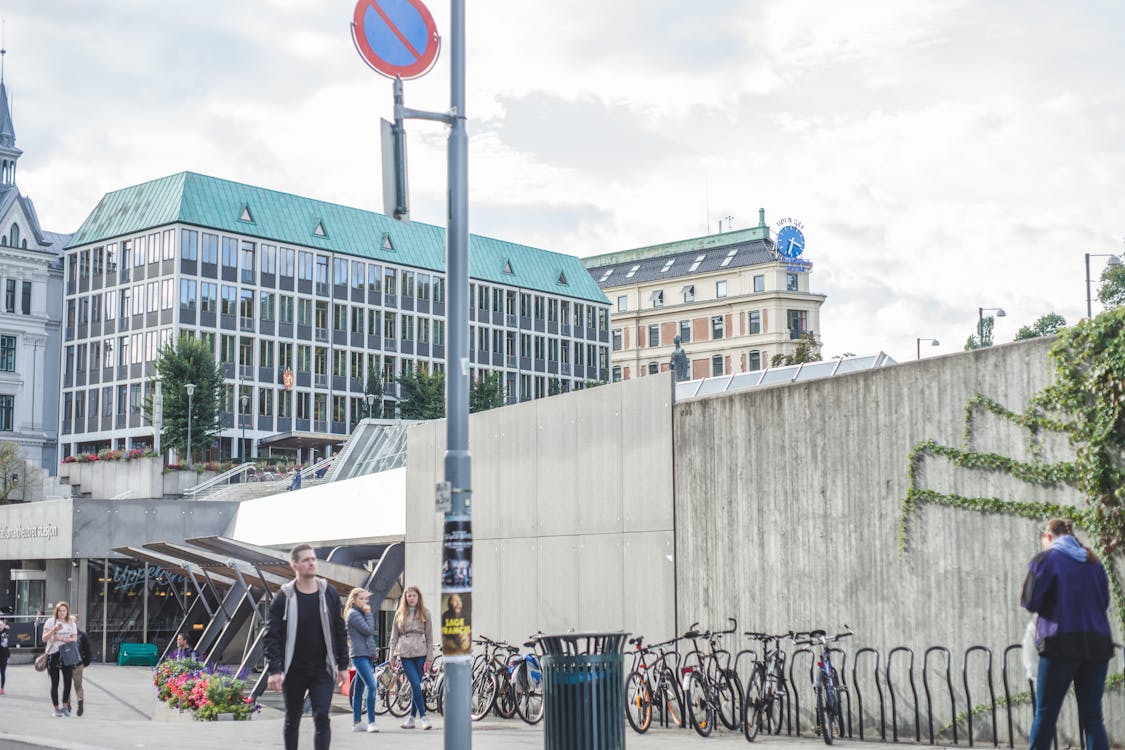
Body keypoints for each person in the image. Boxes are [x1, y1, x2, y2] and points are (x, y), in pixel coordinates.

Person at [1022, 518, 1113, 750]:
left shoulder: (1046, 560)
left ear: (1049, 536)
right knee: (1092, 719)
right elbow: (1104, 601)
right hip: (1097, 644)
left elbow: (1031, 601)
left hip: (1060, 644)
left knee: (1046, 715)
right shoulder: (1093, 562)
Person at [264, 544, 348, 750]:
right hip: (293, 669)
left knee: (321, 717)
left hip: (322, 668)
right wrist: (275, 670)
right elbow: (271, 635)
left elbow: (339, 629)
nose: (311, 563)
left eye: (313, 559)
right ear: (295, 566)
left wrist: (343, 665)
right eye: (306, 560)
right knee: (293, 718)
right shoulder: (284, 596)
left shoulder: (329, 593)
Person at [388, 585, 433, 730]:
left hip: (421, 652)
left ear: (418, 597)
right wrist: (392, 656)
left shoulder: (425, 613)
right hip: (405, 653)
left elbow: (430, 637)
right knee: (415, 683)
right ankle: (424, 717)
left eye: (414, 595)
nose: (411, 598)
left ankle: (412, 719)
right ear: (405, 598)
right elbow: (393, 636)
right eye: (409, 596)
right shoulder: (399, 613)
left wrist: (430, 658)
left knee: (416, 686)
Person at [343, 588, 379, 733]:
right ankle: (371, 722)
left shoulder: (359, 613)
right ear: (354, 600)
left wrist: (372, 652)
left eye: (366, 599)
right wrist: (369, 613)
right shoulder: (353, 614)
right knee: (372, 686)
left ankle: (357, 722)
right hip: (359, 655)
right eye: (361, 599)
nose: (364, 602)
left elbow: (368, 636)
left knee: (358, 689)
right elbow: (369, 631)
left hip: (366, 654)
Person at [42, 601, 79, 718]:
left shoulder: (71, 623)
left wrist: (62, 638)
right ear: (56, 611)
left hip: (67, 654)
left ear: (67, 611)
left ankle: (65, 706)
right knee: (55, 682)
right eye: (60, 610)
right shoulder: (50, 621)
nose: (62, 613)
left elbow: (74, 639)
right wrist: (54, 629)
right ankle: (56, 708)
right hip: (54, 654)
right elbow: (44, 638)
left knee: (68, 681)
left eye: (64, 610)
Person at [68, 623, 92, 717]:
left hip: (67, 664)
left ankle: (68, 706)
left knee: (67, 686)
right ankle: (80, 701)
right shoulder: (82, 635)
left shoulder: (65, 635)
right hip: (79, 664)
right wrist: (85, 663)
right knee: (78, 686)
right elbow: (88, 651)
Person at [0, 617, 10, 695]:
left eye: (1, 625)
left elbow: (9, 627)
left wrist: (5, 626)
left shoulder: (6, 632)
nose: (0, 626)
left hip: (4, 655)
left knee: (3, 672)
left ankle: (2, 689)